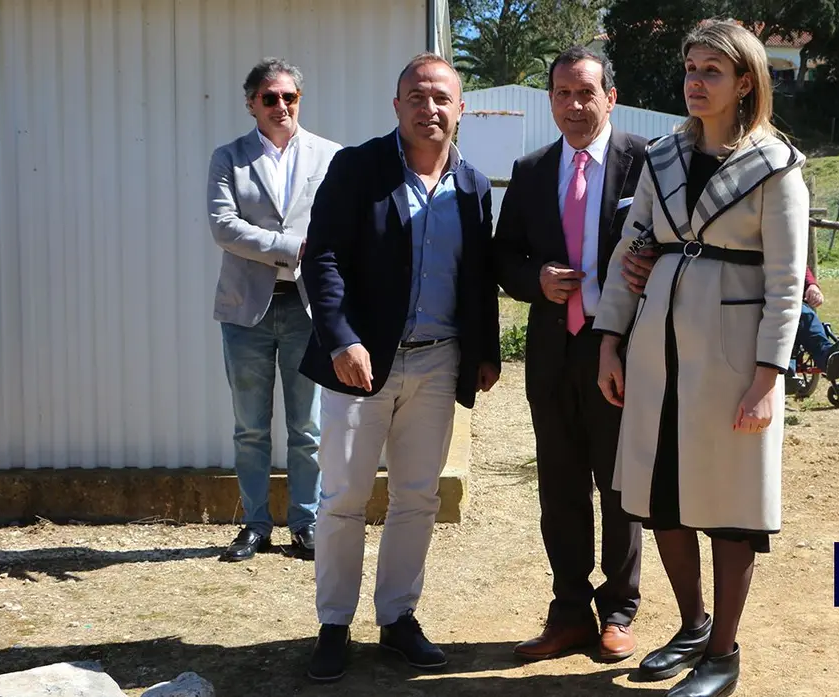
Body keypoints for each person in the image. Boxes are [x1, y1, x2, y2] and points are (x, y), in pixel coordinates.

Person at [594, 21, 808, 697]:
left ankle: (723, 651)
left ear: (746, 81)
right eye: (690, 68)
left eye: (712, 70)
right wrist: (609, 339)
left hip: (733, 360)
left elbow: (785, 283)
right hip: (657, 353)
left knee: (729, 506)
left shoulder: (777, 166)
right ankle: (691, 624)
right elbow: (631, 250)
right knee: (663, 501)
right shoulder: (660, 157)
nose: (695, 80)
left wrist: (769, 379)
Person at [298, 53, 501, 682]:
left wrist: (486, 350)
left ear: (460, 109)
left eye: (442, 97)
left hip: (438, 364)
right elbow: (322, 255)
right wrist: (340, 338)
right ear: (397, 106)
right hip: (359, 365)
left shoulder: (471, 184)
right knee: (343, 498)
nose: (429, 107)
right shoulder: (358, 168)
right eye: (416, 96)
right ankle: (334, 624)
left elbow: (478, 276)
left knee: (417, 497)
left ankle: (397, 619)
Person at [493, 46, 648, 663]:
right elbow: (504, 257)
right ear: (550, 100)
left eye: (587, 92)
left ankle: (618, 611)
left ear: (611, 95)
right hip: (552, 354)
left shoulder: (648, 162)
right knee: (559, 488)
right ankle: (568, 611)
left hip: (622, 351)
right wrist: (537, 281)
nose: (575, 105)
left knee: (619, 484)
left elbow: (672, 242)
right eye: (563, 93)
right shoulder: (530, 170)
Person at [206, 58, 342, 563]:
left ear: (300, 100)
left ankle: (305, 523)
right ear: (251, 104)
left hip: (309, 309)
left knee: (307, 428)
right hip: (247, 310)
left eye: (289, 97)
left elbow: (341, 224)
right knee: (250, 427)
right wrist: (292, 247)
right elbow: (224, 227)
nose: (281, 106)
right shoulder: (229, 158)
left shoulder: (331, 157)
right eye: (270, 98)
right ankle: (255, 525)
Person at [624, 258, 839, 381]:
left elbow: (794, 258)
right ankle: (786, 367)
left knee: (804, 314)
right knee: (790, 313)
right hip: (739, 295)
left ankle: (827, 358)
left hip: (775, 294)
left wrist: (812, 285)